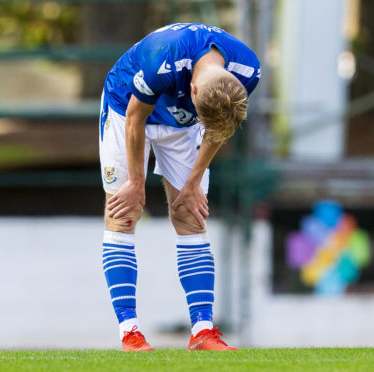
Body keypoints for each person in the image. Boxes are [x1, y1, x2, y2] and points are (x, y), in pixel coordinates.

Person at [98, 22, 260, 352]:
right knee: (125, 211)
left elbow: (220, 126)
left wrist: (193, 181)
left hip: (182, 124)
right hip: (125, 106)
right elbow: (134, 118)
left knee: (190, 213)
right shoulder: (165, 56)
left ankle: (202, 331)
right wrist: (137, 182)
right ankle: (129, 333)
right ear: (195, 91)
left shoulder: (248, 70)